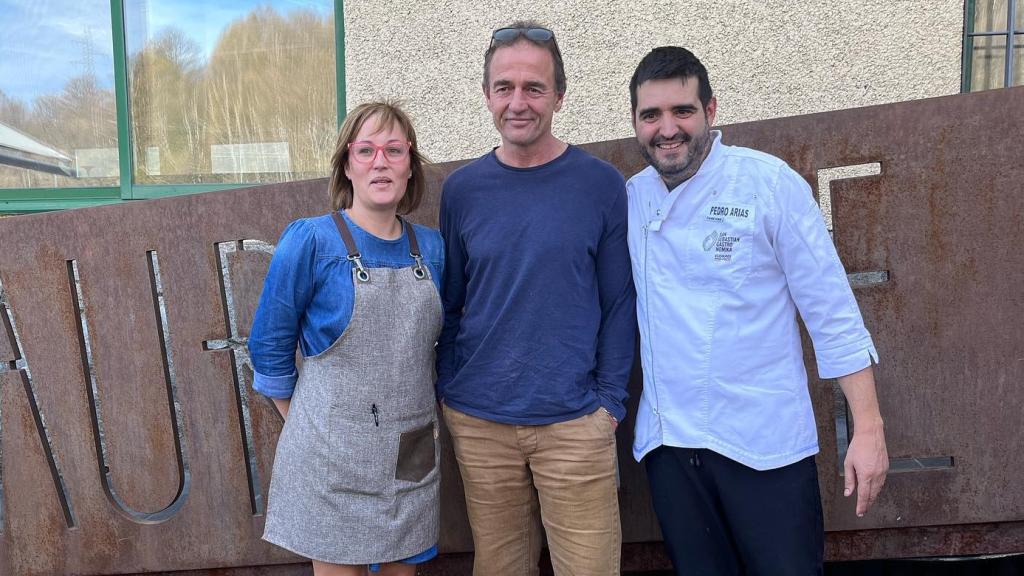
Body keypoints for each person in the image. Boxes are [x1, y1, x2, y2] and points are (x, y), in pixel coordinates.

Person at [626, 46, 889, 575]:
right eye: (651, 115)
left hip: (765, 447)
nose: (667, 128)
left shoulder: (769, 185)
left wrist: (869, 428)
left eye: (682, 111)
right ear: (635, 122)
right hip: (671, 449)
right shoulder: (631, 198)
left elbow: (831, 310)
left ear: (711, 111)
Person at [436, 21, 636, 576]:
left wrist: (608, 404)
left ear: (559, 96)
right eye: (505, 87)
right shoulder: (463, 190)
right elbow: (452, 303)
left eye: (534, 88)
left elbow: (619, 303)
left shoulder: (600, 184)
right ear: (486, 95)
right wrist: (450, 389)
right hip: (479, 421)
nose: (518, 102)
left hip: (576, 422)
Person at [247, 101, 444, 576]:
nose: (381, 161)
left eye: (394, 150)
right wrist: (305, 424)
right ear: (347, 165)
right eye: (366, 150)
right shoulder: (311, 241)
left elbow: (449, 342)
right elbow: (269, 347)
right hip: (329, 461)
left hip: (411, 453)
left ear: (409, 164)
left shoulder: (433, 248)